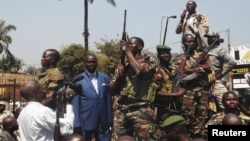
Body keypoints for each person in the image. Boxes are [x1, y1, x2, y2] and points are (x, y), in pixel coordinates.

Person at [109, 37, 157, 140]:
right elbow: (112, 90)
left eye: (131, 44)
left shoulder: (148, 60)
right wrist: (119, 78)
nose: (128, 45)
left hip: (141, 108)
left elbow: (140, 71)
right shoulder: (122, 64)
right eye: (127, 44)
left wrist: (127, 51)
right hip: (122, 108)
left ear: (140, 46)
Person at [71, 53, 113, 141]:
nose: (91, 64)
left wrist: (110, 118)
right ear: (84, 63)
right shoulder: (78, 79)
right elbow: (76, 104)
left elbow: (108, 99)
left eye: (93, 62)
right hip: (86, 120)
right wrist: (77, 123)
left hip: (103, 120)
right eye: (89, 62)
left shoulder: (105, 78)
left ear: (96, 63)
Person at [179, 33, 212, 138]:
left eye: (193, 41)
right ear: (184, 43)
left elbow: (209, 66)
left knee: (202, 114)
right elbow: (180, 71)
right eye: (188, 41)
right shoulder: (181, 58)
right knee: (188, 114)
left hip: (202, 89)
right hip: (188, 90)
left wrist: (201, 67)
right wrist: (193, 70)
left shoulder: (202, 55)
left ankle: (199, 136)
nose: (191, 43)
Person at [153, 45, 186, 126]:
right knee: (164, 127)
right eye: (163, 53)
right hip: (164, 106)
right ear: (158, 56)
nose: (166, 55)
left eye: (167, 53)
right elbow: (156, 92)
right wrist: (174, 94)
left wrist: (181, 91)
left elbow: (182, 84)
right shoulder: (157, 70)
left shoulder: (175, 68)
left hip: (177, 104)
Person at [206, 32, 237, 113]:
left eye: (211, 37)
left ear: (217, 39)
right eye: (208, 38)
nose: (209, 39)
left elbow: (232, 62)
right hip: (205, 83)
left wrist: (222, 74)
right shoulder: (206, 50)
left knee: (225, 107)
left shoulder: (219, 50)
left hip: (216, 83)